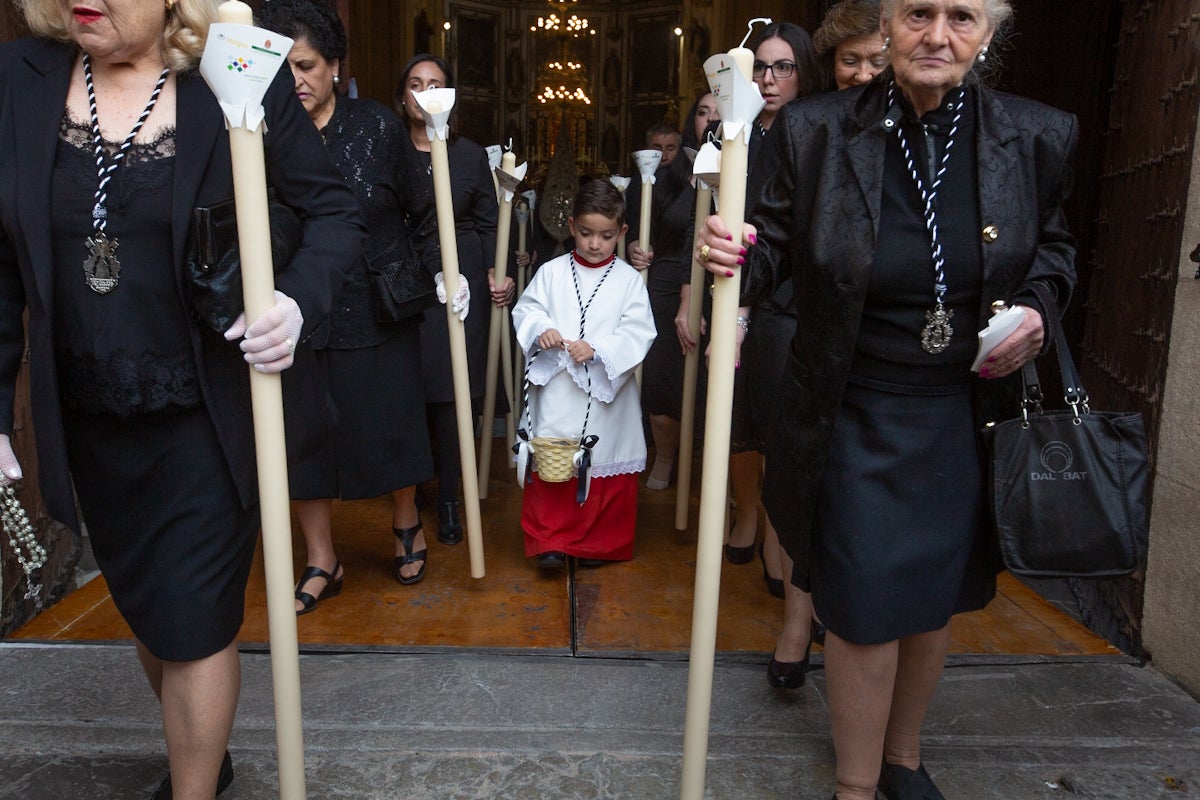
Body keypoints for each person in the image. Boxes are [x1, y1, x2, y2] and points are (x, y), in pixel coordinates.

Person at [698, 1, 1077, 797]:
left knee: (931, 601)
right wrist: (736, 254)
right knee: (866, 601)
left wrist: (1040, 304)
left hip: (959, 411)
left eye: (962, 18)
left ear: (992, 33)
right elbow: (769, 249)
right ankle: (856, 785)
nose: (938, 36)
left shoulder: (1036, 136)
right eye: (919, 13)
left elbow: (1056, 248)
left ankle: (904, 760)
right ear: (888, 22)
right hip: (852, 408)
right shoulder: (818, 131)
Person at [0, 0, 364, 797]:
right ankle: (204, 752)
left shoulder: (238, 70)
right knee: (154, 612)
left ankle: (193, 787)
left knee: (195, 620)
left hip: (212, 413)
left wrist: (295, 302)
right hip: (93, 413)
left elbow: (332, 211)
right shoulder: (19, 81)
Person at [256, 0, 435, 602]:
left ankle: (406, 523)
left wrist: (423, 275)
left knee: (392, 424)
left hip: (378, 304)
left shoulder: (379, 127)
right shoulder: (257, 132)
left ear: (334, 65)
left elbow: (420, 208)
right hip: (297, 309)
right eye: (281, 69)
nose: (294, 81)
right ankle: (321, 558)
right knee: (304, 437)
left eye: (305, 66)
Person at [395, 53, 513, 547]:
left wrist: (492, 269)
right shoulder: (389, 148)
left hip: (460, 281)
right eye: (416, 84)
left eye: (436, 84)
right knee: (408, 388)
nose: (425, 92)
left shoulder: (467, 154)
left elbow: (488, 220)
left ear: (450, 95)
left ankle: (449, 498)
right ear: (403, 95)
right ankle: (414, 486)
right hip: (403, 277)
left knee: (452, 391)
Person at [512, 179, 655, 570]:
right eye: (587, 233)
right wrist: (542, 329)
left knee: (604, 457)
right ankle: (550, 542)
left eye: (607, 236)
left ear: (622, 233)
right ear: (572, 225)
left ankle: (597, 544)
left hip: (606, 394)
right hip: (559, 389)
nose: (595, 244)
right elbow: (527, 310)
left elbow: (639, 332)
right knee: (554, 462)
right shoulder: (551, 272)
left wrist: (600, 349)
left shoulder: (629, 281)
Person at [626, 119, 694, 490]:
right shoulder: (638, 184)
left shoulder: (694, 178)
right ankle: (664, 455)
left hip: (704, 280)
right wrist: (635, 243)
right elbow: (631, 228)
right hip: (661, 284)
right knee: (660, 370)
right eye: (658, 148)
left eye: (671, 148)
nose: (664, 156)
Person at [813, 0, 888, 91]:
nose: (863, 77)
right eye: (850, 62)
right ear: (833, 62)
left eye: (878, 62)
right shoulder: (809, 105)